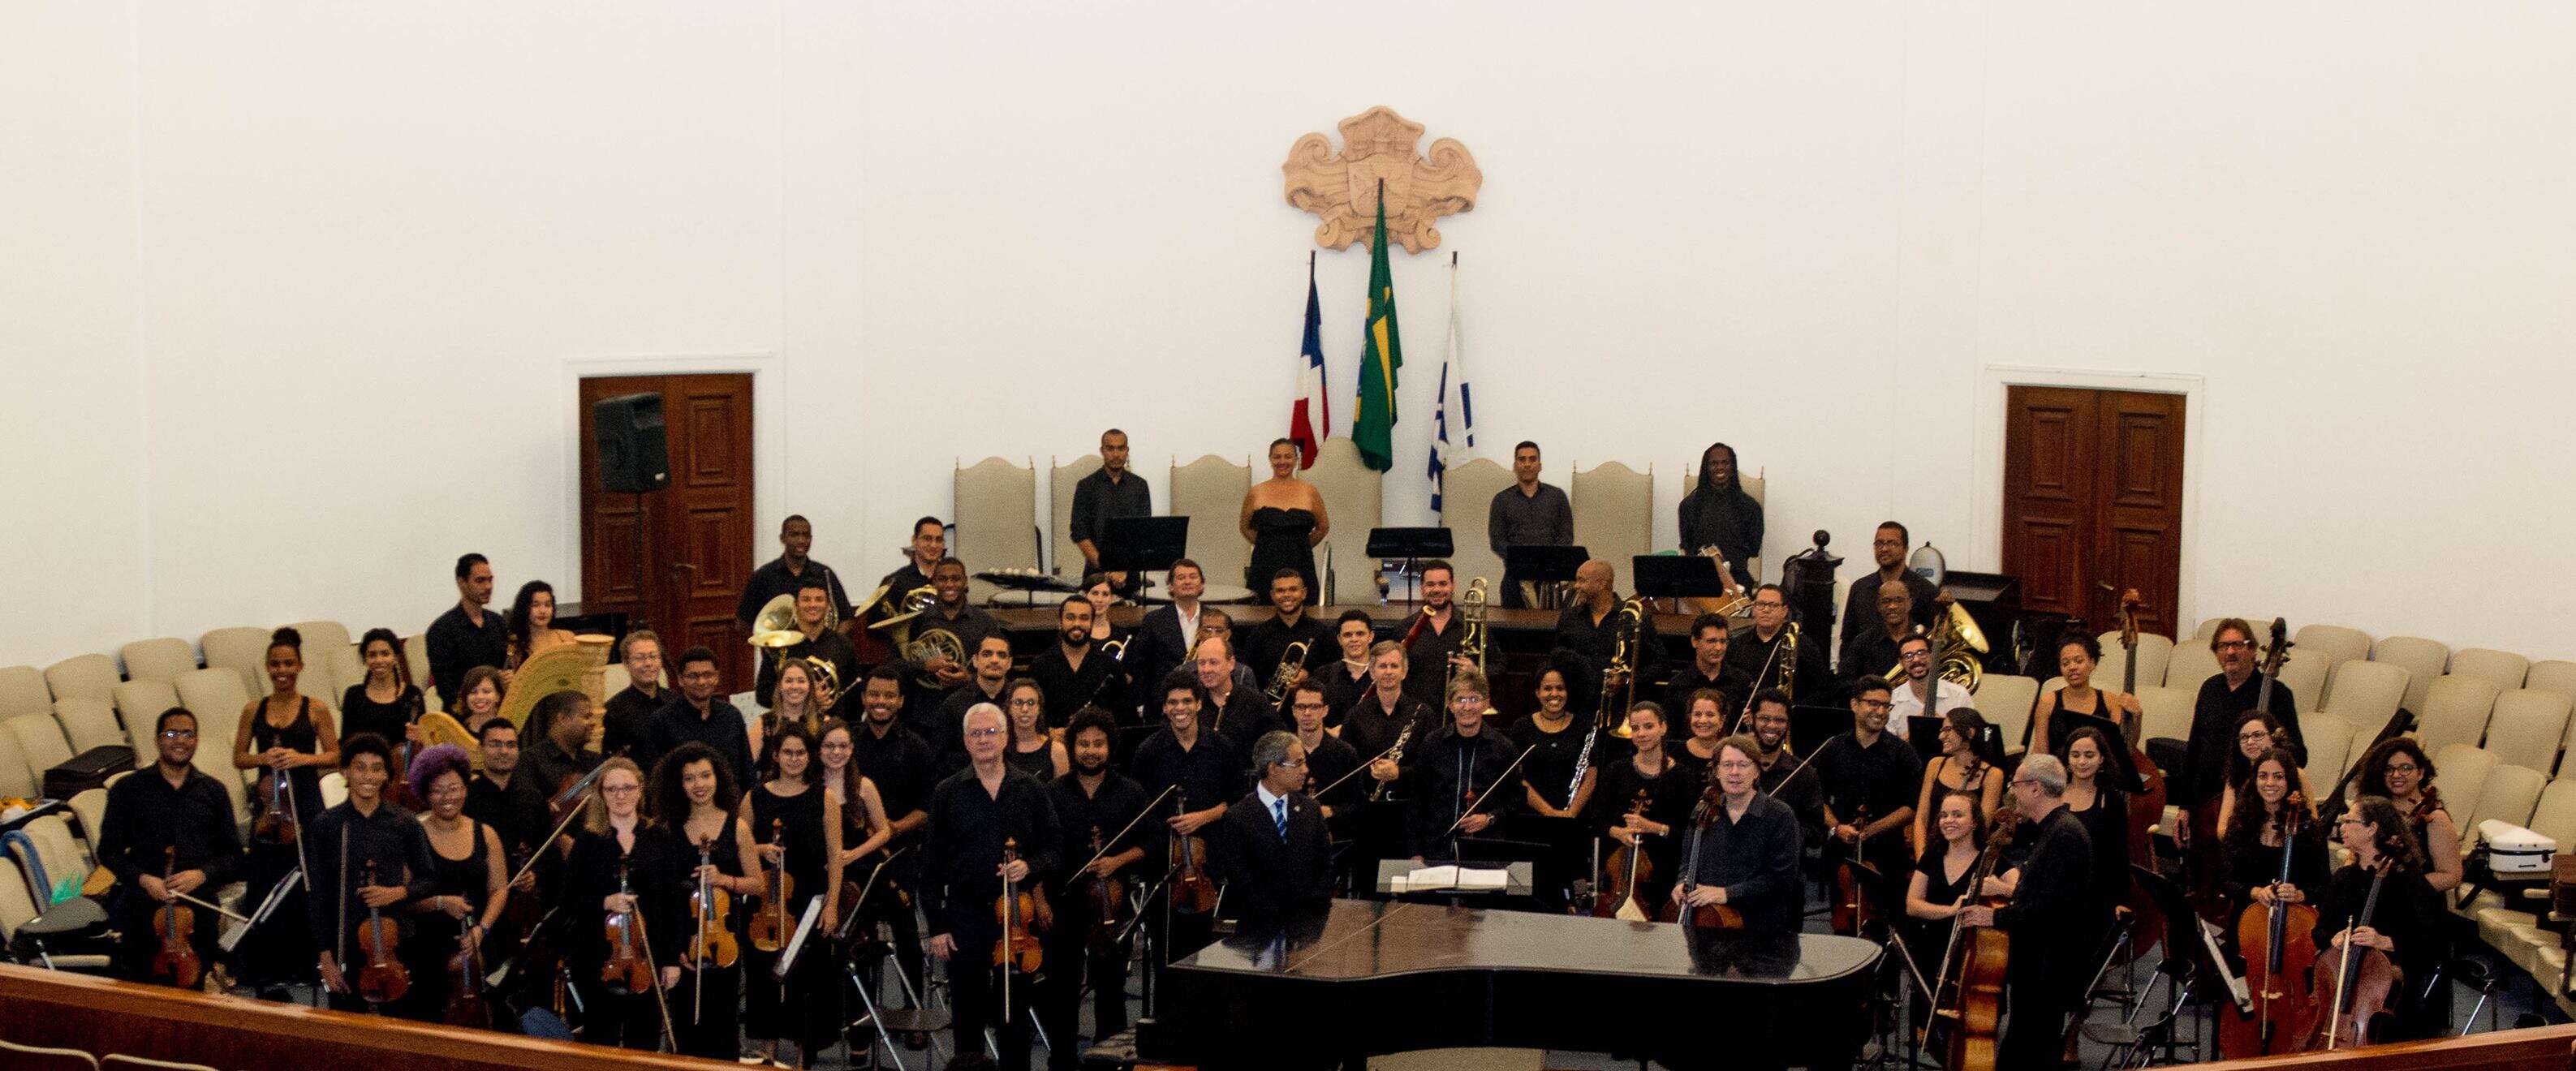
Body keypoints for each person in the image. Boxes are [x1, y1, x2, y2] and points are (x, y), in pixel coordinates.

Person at [921, 703, 1062, 1071]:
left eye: (990, 732)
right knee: (966, 1013)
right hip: (965, 915)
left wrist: (1029, 865)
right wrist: (937, 926)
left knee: (1014, 1016)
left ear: (1005, 737)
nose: (983, 740)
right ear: (965, 741)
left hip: (1017, 917)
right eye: (975, 734)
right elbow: (931, 866)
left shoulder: (1030, 788)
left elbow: (1056, 849)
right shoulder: (947, 792)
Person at [1956, 755, 2096, 1070]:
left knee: (2027, 1053)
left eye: (2016, 785)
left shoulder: (2065, 835)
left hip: (2047, 969)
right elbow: (2046, 891)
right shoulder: (2053, 830)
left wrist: (1993, 917)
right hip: (2038, 966)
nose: (2013, 792)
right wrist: (2007, 891)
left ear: (2035, 788)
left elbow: (2050, 909)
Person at [1040, 709, 1151, 1069]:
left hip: (1111, 905)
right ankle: (1062, 1060)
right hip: (1063, 901)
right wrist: (1041, 897)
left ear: (1110, 747)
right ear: (1072, 748)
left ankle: (1109, 1061)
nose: (1090, 751)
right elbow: (1039, 848)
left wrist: (1116, 862)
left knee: (1110, 990)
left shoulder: (1131, 791)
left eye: (1098, 744)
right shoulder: (1053, 793)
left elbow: (1148, 843)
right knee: (1062, 990)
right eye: (1083, 744)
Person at [99, 708, 243, 985]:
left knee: (194, 988)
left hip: (197, 908)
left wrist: (201, 874)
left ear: (196, 740)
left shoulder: (213, 791)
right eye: (171, 733)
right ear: (157, 740)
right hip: (143, 907)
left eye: (188, 734)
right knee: (144, 990)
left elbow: (234, 856)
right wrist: (144, 879)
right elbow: (108, 851)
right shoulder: (128, 789)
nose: (180, 741)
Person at [232, 627, 340, 991]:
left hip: (305, 799)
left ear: (300, 665)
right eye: (275, 664)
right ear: (267, 667)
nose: (282, 670)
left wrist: (300, 758)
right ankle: (264, 966)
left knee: (307, 878)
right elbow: (239, 757)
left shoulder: (316, 708)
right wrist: (264, 757)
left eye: (289, 663)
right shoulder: (253, 709)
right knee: (265, 879)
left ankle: (306, 963)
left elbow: (336, 755)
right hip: (268, 802)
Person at [308, 733, 437, 1013]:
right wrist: (325, 958)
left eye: (377, 768)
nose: (368, 776)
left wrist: (397, 893)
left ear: (387, 776)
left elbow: (429, 879)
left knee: (402, 1029)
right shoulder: (326, 825)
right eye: (360, 767)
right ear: (345, 772)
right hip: (345, 943)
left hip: (396, 942)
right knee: (347, 1031)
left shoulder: (405, 822)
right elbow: (318, 894)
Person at [649, 742, 756, 1060]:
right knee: (684, 1027)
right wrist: (674, 947)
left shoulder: (736, 826)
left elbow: (758, 884)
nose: (699, 785)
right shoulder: (668, 829)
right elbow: (662, 895)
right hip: (682, 938)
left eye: (705, 776)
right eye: (689, 778)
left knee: (723, 1024)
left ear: (718, 778)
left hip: (724, 940)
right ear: (678, 785)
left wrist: (725, 880)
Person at [564, 757, 678, 1050]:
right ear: (601, 794)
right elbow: (568, 901)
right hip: (598, 958)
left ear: (640, 790)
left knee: (644, 1039)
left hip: (646, 955)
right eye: (612, 789)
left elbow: (671, 903)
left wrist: (670, 960)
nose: (620, 795)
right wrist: (604, 901)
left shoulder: (658, 837)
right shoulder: (588, 842)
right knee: (600, 1039)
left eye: (627, 787)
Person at [2313, 795, 2447, 1041]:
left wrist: (2385, 941)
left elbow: (2435, 943)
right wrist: (2335, 937)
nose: (2341, 827)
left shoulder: (2409, 882)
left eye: (2349, 821)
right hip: (2343, 986)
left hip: (2393, 1002)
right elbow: (2319, 932)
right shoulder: (2343, 878)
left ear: (2372, 828)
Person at [1131, 672, 1243, 965]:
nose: (1180, 708)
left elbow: (1238, 801)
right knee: (1164, 950)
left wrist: (1203, 818)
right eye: (1172, 702)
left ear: (1198, 705)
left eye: (1186, 701)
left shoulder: (1222, 748)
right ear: (1165, 708)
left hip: (1210, 862)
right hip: (1163, 865)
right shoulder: (1148, 752)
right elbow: (1139, 809)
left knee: (1207, 950)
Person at [739, 723, 830, 1066]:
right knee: (764, 976)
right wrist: (761, 848)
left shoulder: (824, 796)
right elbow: (739, 843)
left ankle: (805, 1054)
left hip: (807, 901)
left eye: (801, 753)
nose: (794, 759)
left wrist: (832, 904)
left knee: (806, 978)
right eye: (788, 752)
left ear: (810, 757)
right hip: (765, 903)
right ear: (776, 755)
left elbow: (835, 855)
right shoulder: (755, 797)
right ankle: (769, 1052)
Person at [398, 744, 509, 1022]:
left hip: (478, 942)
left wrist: (481, 930)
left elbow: (499, 889)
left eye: (455, 788)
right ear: (425, 793)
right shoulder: (413, 835)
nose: (448, 797)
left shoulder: (486, 834)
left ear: (466, 788)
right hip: (428, 949)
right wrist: (439, 903)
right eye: (438, 790)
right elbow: (401, 900)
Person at [845, 665, 935, 1004]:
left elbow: (927, 808)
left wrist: (891, 829)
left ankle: (913, 1011)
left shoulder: (917, 748)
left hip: (899, 856)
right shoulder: (847, 743)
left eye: (888, 696)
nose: (880, 702)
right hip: (855, 858)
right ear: (864, 697)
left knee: (908, 936)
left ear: (900, 701)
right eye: (874, 695)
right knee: (857, 936)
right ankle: (861, 1019)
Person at [1812, 677, 1922, 923]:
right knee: (1840, 916)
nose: (1881, 711)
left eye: (1886, 706)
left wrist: (1873, 829)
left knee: (1887, 919)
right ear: (1854, 704)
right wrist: (1836, 827)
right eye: (1873, 703)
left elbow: (1912, 806)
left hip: (1888, 851)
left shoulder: (1903, 753)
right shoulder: (1833, 748)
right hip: (1842, 847)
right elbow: (1817, 799)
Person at [1672, 734, 1802, 931]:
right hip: (1708, 922)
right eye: (1727, 765)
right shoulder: (1702, 810)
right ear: (1716, 772)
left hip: (1763, 929)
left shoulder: (1780, 815)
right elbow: (1688, 861)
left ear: (1757, 771)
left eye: (1743, 765)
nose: (1734, 772)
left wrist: (1727, 894)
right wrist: (1682, 883)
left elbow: (1781, 880)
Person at [2183, 618, 2305, 812]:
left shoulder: (2278, 694)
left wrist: (2270, 748)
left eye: (2238, 645)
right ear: (2216, 653)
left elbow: (2299, 756)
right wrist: (2185, 806)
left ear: (2253, 649)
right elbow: (2194, 749)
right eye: (2223, 646)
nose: (2230, 652)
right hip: (2206, 800)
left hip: (2254, 801)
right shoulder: (2209, 688)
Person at [1213, 730, 1334, 919]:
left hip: (1307, 925)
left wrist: (1312, 907)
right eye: (1298, 763)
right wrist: (1274, 912)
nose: (1305, 770)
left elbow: (1325, 866)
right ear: (1273, 768)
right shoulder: (1238, 817)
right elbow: (1239, 877)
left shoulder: (1310, 809)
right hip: (1259, 927)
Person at [1402, 671, 1521, 860]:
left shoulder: (1504, 748)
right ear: (1450, 705)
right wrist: (1416, 852)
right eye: (1460, 699)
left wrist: (1489, 818)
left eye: (1474, 699)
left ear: (1486, 704)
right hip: (1436, 849)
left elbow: (1516, 800)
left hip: (1486, 851)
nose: (1467, 706)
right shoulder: (1432, 744)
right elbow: (1417, 801)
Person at [1587, 702, 1685, 914]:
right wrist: (1618, 832)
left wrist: (1654, 827)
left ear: (1663, 727)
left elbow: (1687, 834)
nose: (1641, 734)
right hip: (1617, 873)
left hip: (1664, 875)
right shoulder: (1616, 771)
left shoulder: (1682, 777)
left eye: (1649, 727)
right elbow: (1596, 819)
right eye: (1635, 728)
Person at [2220, 748, 2327, 936]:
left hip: (2293, 927)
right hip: (2246, 924)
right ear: (2255, 780)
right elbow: (2224, 880)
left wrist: (2299, 894)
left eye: (2278, 777)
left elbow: (2324, 885)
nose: (2270, 783)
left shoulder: (2309, 829)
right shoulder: (2240, 823)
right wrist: (2256, 892)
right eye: (2263, 776)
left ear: (2289, 781)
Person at [1904, 789, 1986, 1030]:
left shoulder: (1988, 860)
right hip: (1932, 945)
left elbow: (2019, 888)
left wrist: (2000, 885)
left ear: (1975, 822)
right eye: (1943, 815)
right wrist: (1949, 912)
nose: (1948, 821)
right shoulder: (1932, 856)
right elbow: (1912, 905)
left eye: (1957, 815)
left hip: (1970, 951)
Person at [2354, 737, 2465, 895]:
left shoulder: (2435, 818)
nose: (2396, 774)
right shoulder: (2373, 812)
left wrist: (2398, 889)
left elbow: (2452, 876)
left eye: (2406, 768)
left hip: (2417, 908)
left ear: (2420, 773)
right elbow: (2355, 857)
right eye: (2388, 769)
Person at [642, 646, 753, 795]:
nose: (701, 682)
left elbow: (747, 770)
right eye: (693, 676)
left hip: (731, 807)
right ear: (681, 680)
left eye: (708, 675)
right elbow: (657, 778)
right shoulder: (662, 720)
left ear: (717, 677)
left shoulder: (732, 715)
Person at [1553, 558, 1661, 711]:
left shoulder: (1634, 617)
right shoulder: (1569, 617)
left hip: (1619, 705)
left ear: (1602, 584)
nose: (1576, 586)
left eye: (1581, 581)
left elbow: (1659, 665)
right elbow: (1557, 655)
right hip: (1576, 705)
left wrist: (1626, 680)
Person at [2060, 727, 2134, 942]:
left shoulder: (2110, 799)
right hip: (2055, 887)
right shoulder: (2053, 793)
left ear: (2102, 759)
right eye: (2075, 755)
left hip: (2093, 891)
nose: (2082, 762)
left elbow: (2118, 854)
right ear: (2067, 759)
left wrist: (2121, 899)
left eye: (2089, 755)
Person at [1513, 662, 1605, 826]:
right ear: (1537, 693)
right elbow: (1517, 778)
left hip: (1574, 818)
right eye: (1547, 688)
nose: (1554, 694)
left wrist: (1571, 814)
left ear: (1568, 692)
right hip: (1530, 817)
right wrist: (1549, 813)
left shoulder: (1584, 727)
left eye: (1560, 688)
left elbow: (1591, 776)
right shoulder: (1522, 726)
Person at [463, 719, 548, 894]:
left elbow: (547, 848)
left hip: (525, 901)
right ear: (481, 749)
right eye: (495, 745)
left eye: (511, 745)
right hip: (479, 894)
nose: (504, 751)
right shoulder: (466, 797)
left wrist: (536, 873)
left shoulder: (533, 797)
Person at [1341, 642, 1434, 802]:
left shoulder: (1423, 714)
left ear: (1404, 672)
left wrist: (1399, 773)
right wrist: (1371, 771)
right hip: (1366, 806)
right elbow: (1345, 763)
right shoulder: (1355, 715)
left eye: (1394, 666)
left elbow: (1433, 766)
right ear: (1371, 672)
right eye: (1382, 666)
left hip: (1412, 807)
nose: (1388, 671)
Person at [1488, 441, 1574, 609]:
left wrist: (1544, 562)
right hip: (1514, 579)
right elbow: (1497, 541)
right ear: (1515, 465)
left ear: (1540, 465)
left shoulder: (1557, 497)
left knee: (1549, 632)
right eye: (1522, 460)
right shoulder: (1501, 500)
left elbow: (1566, 537)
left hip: (1549, 580)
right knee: (1514, 632)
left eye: (1532, 459)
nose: (1527, 464)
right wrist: (1524, 561)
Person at [752, 575, 860, 709]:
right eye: (806, 600)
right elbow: (762, 695)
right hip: (792, 725)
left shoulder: (843, 645)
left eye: (819, 600)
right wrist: (806, 698)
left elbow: (854, 696)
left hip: (832, 724)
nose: (813, 605)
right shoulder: (779, 644)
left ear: (828, 606)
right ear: (796, 606)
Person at [735, 514, 857, 633]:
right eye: (794, 535)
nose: (801, 540)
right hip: (780, 651)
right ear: (782, 538)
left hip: (819, 652)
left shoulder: (825, 573)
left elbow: (847, 618)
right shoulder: (763, 576)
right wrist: (768, 644)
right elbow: (743, 623)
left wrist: (830, 645)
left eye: (806, 535)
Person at [1240, 437, 1329, 595]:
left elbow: (1323, 527)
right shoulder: (1256, 492)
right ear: (1270, 460)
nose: (1282, 462)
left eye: (1288, 456)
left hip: (1301, 565)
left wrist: (1300, 545)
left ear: (1296, 459)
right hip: (1264, 566)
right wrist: (1267, 544)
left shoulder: (1310, 491)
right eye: (1277, 457)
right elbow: (1245, 527)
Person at [2034, 634, 2143, 757]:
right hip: (2058, 773)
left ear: (2092, 663)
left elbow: (2124, 748)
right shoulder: (2048, 701)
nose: (2072, 667)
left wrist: (2137, 718)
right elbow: (2040, 751)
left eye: (2079, 661)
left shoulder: (2110, 700)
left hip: (2099, 773)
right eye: (2065, 663)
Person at [1068, 429, 1154, 585]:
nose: (1116, 454)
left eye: (1121, 448)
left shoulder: (1140, 486)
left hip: (1131, 575)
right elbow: (1079, 533)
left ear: (1127, 451)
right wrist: (1108, 570)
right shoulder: (1086, 486)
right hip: (1095, 576)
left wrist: (1124, 570)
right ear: (1102, 451)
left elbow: (1143, 532)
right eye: (1110, 448)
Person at [908, 556, 1002, 697]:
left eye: (956, 579)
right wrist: (925, 666)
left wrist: (968, 678)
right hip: (927, 700)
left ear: (965, 581)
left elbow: (998, 667)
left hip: (970, 700)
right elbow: (896, 664)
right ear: (934, 582)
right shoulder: (919, 620)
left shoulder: (984, 621)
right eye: (943, 579)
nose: (949, 584)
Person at [1910, 708, 2002, 850]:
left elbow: (1981, 828)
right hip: (1931, 849)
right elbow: (1921, 819)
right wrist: (1922, 859)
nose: (1941, 736)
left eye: (1948, 730)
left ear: (1970, 733)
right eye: (1942, 731)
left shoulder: (1992, 775)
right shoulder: (1935, 764)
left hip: (1965, 854)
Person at [1238, 569, 1335, 702]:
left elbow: (1335, 674)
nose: (1287, 595)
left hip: (1313, 710)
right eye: (1281, 591)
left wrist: (1310, 677)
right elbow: (1248, 677)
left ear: (1304, 593)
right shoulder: (1258, 634)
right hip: (1270, 712)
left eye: (1293, 589)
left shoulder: (1323, 633)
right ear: (1272, 595)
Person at [428, 553, 509, 708]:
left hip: (499, 709)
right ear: (461, 582)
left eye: (490, 580)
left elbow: (505, 666)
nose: (488, 587)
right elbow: (446, 688)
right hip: (463, 714)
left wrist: (508, 678)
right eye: (480, 580)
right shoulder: (441, 630)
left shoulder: (498, 623)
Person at [1747, 689, 1825, 850]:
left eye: (1780, 720)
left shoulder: (1804, 773)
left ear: (1788, 724)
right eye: (1764, 719)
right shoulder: (1734, 767)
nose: (1772, 726)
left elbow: (1817, 834)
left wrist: (1779, 830)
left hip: (1783, 867)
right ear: (1752, 719)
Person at [1677, 442, 1762, 591]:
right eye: (1714, 463)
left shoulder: (1751, 507)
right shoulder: (1688, 506)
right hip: (1698, 580)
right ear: (1706, 468)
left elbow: (1754, 549)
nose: (1720, 468)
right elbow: (1687, 546)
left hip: (1738, 580)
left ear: (1733, 467)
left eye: (1725, 463)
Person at [1838, 523, 1936, 651]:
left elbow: (1932, 642)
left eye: (1892, 543)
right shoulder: (1859, 588)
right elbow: (1848, 640)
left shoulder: (1926, 590)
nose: (1884, 549)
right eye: (1879, 544)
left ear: (1906, 549)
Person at [1724, 584, 1828, 703]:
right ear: (1753, 609)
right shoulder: (1736, 644)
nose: (1766, 610)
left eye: (1773, 605)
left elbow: (1821, 690)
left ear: (1784, 611)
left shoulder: (1804, 646)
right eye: (1761, 604)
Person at [1285, 682, 1363, 840]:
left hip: (1336, 839)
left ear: (1325, 711)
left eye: (1314, 707)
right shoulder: (1282, 752)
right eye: (1301, 707)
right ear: (1293, 711)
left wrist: (1331, 811)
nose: (1307, 713)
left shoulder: (1345, 753)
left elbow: (1359, 805)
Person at [1030, 595, 1122, 728]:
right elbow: (1033, 715)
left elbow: (1124, 717)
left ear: (1092, 622)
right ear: (1060, 622)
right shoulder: (1040, 665)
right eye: (1070, 618)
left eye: (1084, 618)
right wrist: (1049, 733)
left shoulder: (1110, 666)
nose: (1077, 624)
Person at [1131, 557, 1212, 710]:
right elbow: (1141, 665)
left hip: (1206, 701)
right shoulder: (1153, 621)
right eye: (1181, 578)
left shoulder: (1215, 619)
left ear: (1202, 585)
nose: (1187, 582)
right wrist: (1141, 703)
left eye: (1193, 577)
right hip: (1163, 703)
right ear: (1170, 586)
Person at [929, 634, 1016, 774]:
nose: (994, 660)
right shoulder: (953, 705)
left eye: (1001, 655)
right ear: (975, 661)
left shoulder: (1019, 701)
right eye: (987, 654)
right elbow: (939, 759)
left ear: (1009, 663)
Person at [1399, 561, 1475, 708]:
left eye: (1443, 584)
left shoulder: (1472, 626)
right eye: (1430, 584)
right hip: (1415, 713)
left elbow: (1499, 665)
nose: (1437, 589)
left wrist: (1475, 670)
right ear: (1422, 588)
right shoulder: (1404, 628)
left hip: (1460, 712)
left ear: (1453, 586)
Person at [342, 628, 426, 753]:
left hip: (405, 768)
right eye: (372, 655)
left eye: (385, 654)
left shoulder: (413, 694)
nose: (379, 661)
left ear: (396, 657)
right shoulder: (353, 695)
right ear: (365, 660)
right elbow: (346, 744)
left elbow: (424, 741)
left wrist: (418, 738)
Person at [1194, 633, 1278, 755]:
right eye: (1201, 663)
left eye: (1213, 662)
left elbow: (1279, 744)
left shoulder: (1256, 703)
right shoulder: (1191, 702)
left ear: (1231, 664)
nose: (1206, 670)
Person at [1665, 613, 1748, 722]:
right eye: (1711, 641)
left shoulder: (1742, 682)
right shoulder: (1678, 685)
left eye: (1723, 641)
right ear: (1695, 642)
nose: (1719, 648)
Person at [522, 690, 603, 799]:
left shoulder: (595, 760)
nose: (593, 723)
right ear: (562, 719)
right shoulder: (529, 761)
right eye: (586, 717)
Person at [1887, 634, 1971, 738]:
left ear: (1932, 656)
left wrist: (1946, 727)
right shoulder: (1891, 701)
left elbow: (1972, 738)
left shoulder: (1959, 695)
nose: (1916, 659)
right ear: (1901, 663)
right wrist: (1910, 735)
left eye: (1921, 653)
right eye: (1908, 656)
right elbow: (1886, 749)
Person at [601, 630, 668, 761]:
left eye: (653, 656)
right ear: (626, 664)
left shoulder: (677, 702)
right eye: (640, 658)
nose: (648, 663)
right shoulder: (613, 711)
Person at [762, 659, 837, 773]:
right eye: (789, 681)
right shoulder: (763, 723)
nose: (795, 686)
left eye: (801, 681)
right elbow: (746, 766)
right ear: (780, 686)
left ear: (810, 687)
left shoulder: (825, 723)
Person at [1837, 583, 1916, 690]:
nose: (1892, 606)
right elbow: (1845, 680)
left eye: (1899, 600)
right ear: (1878, 606)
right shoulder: (1863, 642)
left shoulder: (1925, 638)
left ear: (1910, 603)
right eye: (1886, 601)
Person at [872, 516, 948, 623]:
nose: (933, 545)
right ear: (914, 540)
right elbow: (874, 624)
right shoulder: (894, 581)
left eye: (939, 540)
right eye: (927, 538)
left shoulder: (951, 580)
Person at [1316, 609, 1379, 721]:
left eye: (1360, 634)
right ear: (1339, 639)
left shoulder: (1383, 674)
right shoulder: (1323, 675)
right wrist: (1328, 733)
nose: (1354, 639)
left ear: (1371, 636)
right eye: (1348, 635)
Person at [1002, 677, 1070, 780]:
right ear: (1009, 708)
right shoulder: (998, 748)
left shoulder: (1057, 751)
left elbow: (1061, 794)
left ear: (1039, 709)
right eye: (1018, 702)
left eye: (1031, 703)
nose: (1025, 709)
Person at [505, 579, 576, 672]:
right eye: (536, 605)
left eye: (547, 605)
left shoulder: (566, 637)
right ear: (525, 608)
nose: (543, 611)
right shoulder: (516, 645)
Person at [1670, 688, 1728, 782]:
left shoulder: (1733, 753)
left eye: (1710, 715)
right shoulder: (1677, 754)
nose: (1703, 720)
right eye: (1697, 714)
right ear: (1690, 717)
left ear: (1722, 720)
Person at [451, 665, 506, 739]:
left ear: (498, 696)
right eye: (473, 692)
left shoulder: (509, 729)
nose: (480, 697)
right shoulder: (456, 727)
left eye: (486, 692)